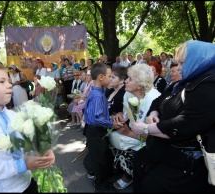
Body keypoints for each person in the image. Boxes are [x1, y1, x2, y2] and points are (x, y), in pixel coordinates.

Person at [130, 40, 215, 193]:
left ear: (199, 60)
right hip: (166, 154)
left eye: (183, 63)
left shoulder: (208, 87)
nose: (178, 68)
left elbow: (183, 125)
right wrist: (153, 113)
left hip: (185, 162)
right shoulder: (182, 84)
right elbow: (158, 100)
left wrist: (147, 128)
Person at [0, 63, 55, 192]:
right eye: (2, 82)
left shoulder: (14, 115)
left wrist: (42, 153)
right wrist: (23, 165)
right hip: (2, 189)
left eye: (9, 81)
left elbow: (25, 146)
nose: (9, 85)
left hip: (26, 183)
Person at [111, 64, 160, 190]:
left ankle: (129, 175)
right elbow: (128, 115)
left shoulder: (153, 100)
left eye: (130, 79)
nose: (125, 80)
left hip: (151, 143)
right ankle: (123, 171)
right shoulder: (131, 94)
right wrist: (120, 116)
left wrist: (129, 133)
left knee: (123, 144)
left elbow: (151, 137)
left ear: (139, 85)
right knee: (110, 136)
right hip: (138, 136)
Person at [84, 63, 123, 192]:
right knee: (100, 160)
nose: (110, 79)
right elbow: (96, 118)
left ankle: (102, 181)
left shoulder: (97, 92)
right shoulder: (97, 95)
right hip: (96, 131)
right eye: (109, 76)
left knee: (102, 157)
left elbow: (97, 114)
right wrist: (111, 124)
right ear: (101, 77)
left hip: (95, 130)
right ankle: (100, 186)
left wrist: (110, 117)